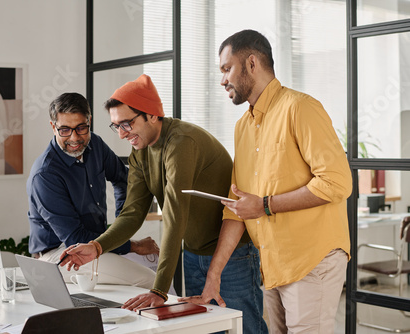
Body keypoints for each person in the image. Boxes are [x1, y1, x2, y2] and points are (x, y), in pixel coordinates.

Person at [59, 74, 268, 333]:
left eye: (127, 123)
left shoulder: (181, 143)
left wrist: (159, 290)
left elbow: (174, 214)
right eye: (116, 126)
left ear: (153, 115)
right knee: (206, 328)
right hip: (193, 253)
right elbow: (132, 214)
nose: (122, 134)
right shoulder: (140, 152)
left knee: (246, 328)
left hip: (233, 254)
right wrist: (96, 247)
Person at [181, 29, 353, 333]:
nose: (222, 80)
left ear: (251, 63)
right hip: (273, 263)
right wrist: (214, 275)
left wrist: (265, 205)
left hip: (312, 258)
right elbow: (238, 208)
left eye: (226, 69)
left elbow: (337, 182)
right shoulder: (242, 127)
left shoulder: (300, 108)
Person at [27, 92, 159, 288]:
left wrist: (121, 227)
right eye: (64, 130)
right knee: (151, 280)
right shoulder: (45, 175)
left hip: (95, 244)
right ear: (53, 126)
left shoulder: (95, 145)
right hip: (61, 253)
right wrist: (134, 245)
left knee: (154, 261)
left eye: (81, 128)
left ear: (89, 121)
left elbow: (123, 179)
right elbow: (75, 239)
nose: (74, 138)